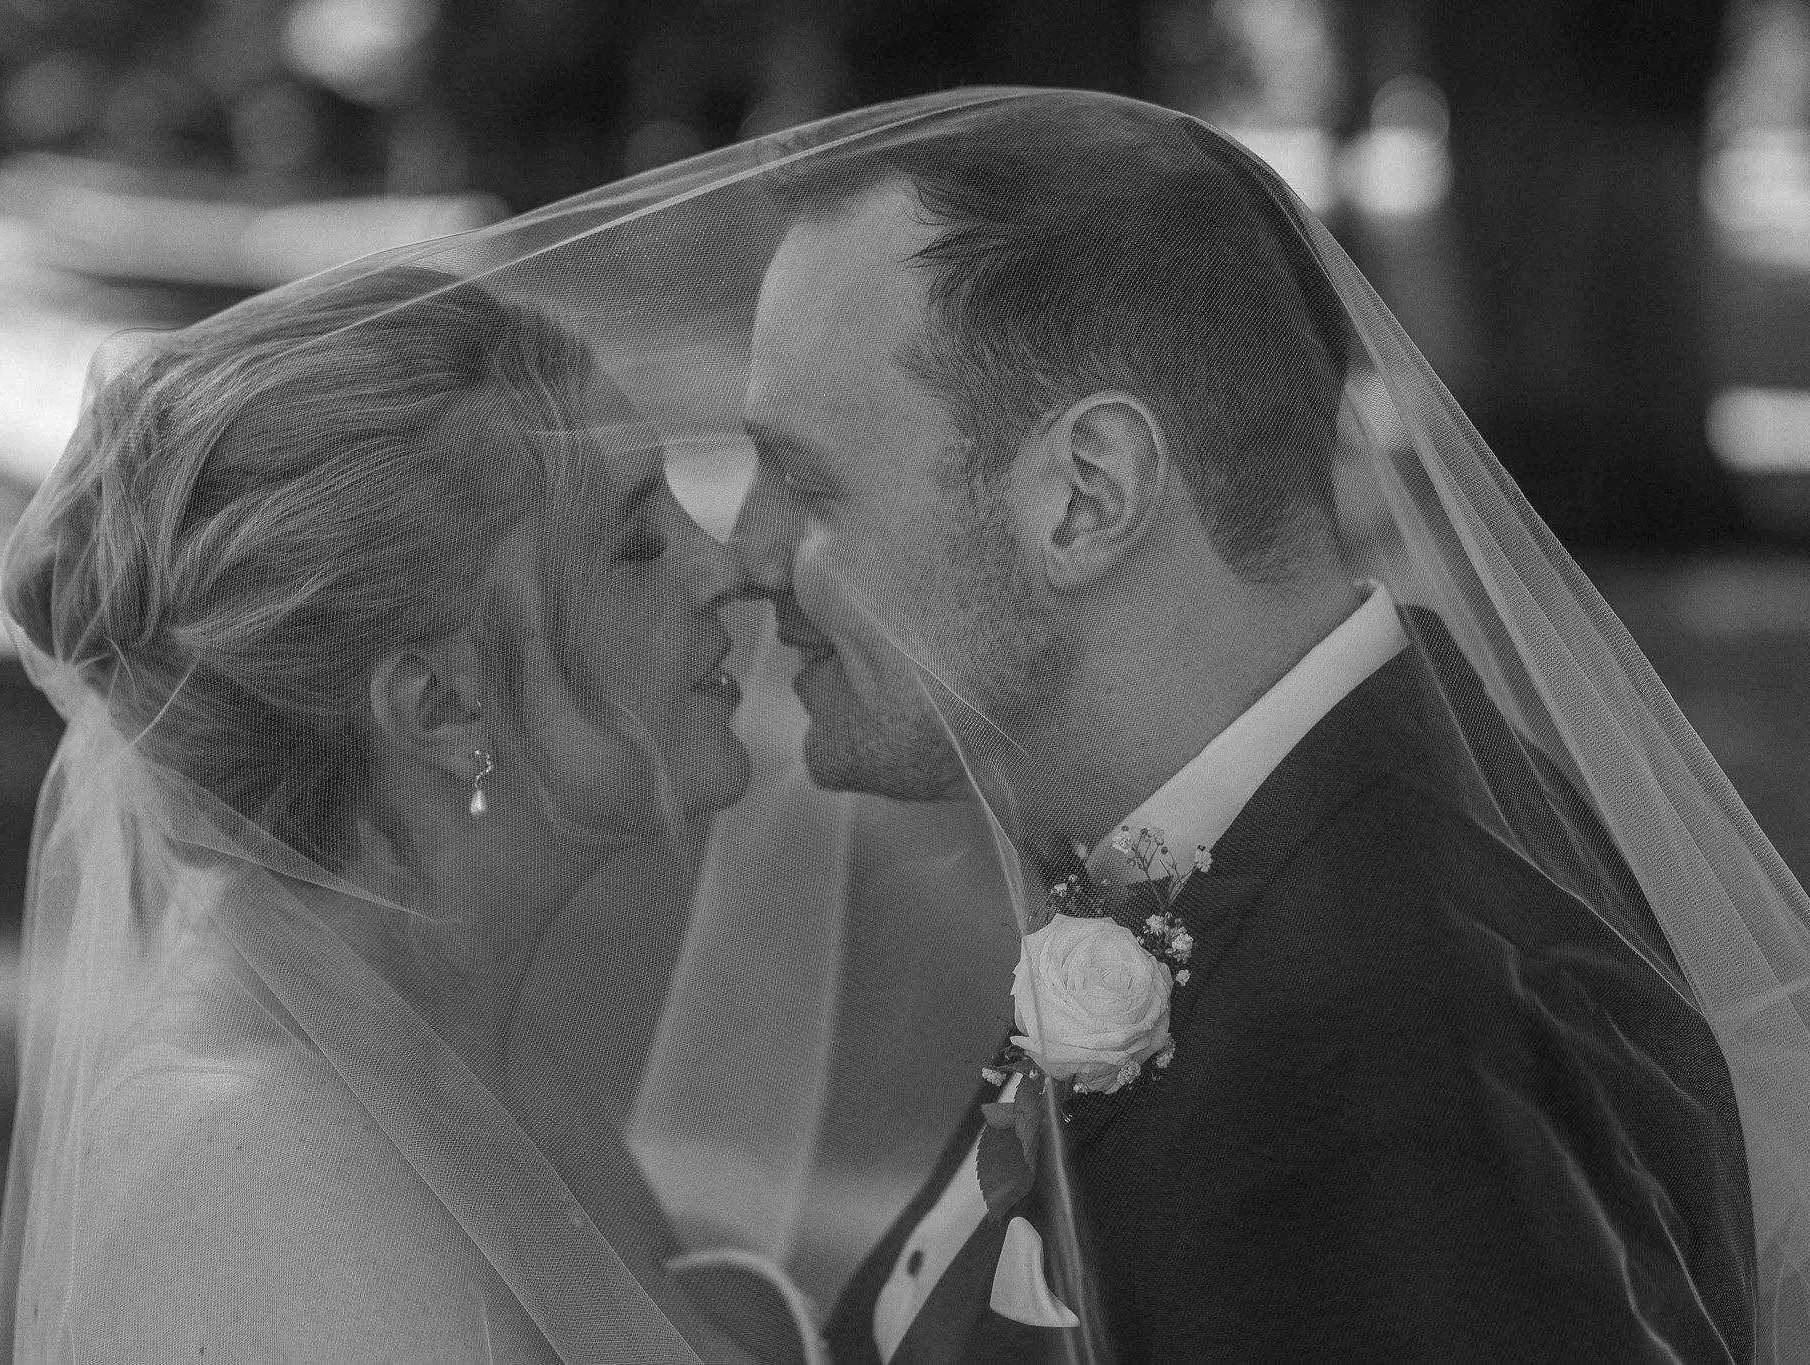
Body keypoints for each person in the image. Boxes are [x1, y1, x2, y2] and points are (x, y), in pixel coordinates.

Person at [729, 95, 1768, 1362]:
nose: (746, 557)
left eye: (803, 482)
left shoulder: (1391, 1073)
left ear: (1083, 496)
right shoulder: (1276, 847)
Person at [0, 265, 800, 1363]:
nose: (723, 569)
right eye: (635, 548)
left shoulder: (446, 1048)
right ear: (437, 704)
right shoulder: (272, 1175)